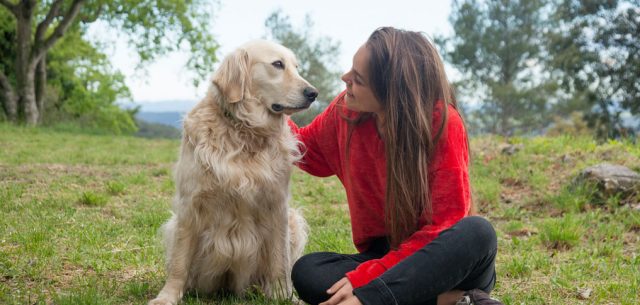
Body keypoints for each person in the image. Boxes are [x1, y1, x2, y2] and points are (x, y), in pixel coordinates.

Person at [287, 27, 502, 305]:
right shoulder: (346, 111)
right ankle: (452, 301)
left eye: (358, 79)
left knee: (478, 232)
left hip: (443, 258)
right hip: (385, 255)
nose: (345, 79)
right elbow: (305, 148)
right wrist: (267, 103)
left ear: (392, 92)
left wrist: (367, 288)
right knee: (308, 272)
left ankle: (373, 300)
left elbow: (444, 226)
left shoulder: (443, 123)